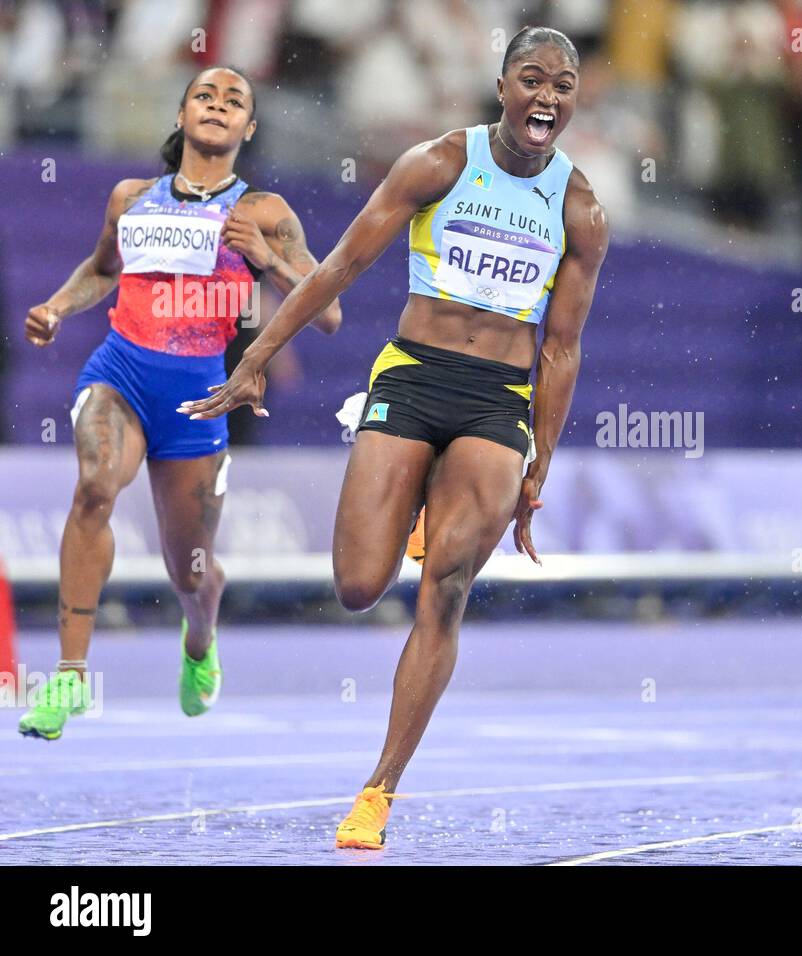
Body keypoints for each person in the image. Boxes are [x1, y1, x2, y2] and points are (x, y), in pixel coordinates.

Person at [182, 27, 609, 850]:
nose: (547, 97)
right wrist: (255, 361)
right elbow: (339, 267)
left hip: (497, 401)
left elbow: (561, 348)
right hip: (413, 377)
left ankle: (378, 791)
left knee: (446, 586)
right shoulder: (438, 164)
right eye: (532, 79)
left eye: (564, 85)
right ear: (501, 86)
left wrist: (538, 465)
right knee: (357, 585)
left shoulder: (580, 210)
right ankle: (417, 501)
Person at [19, 66, 342, 740]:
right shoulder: (132, 197)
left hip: (198, 399)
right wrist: (57, 305)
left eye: (234, 101)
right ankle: (70, 675)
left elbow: (330, 313)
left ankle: (200, 640)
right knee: (95, 488)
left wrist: (267, 260)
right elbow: (102, 270)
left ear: (249, 127)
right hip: (121, 373)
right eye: (205, 96)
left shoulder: (265, 212)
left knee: (189, 570)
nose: (218, 106)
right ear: (181, 114)